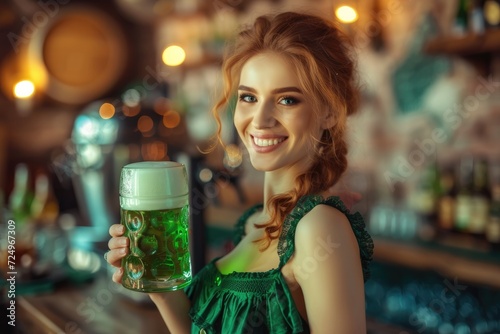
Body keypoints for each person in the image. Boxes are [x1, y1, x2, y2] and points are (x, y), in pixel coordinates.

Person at [106, 11, 374, 333]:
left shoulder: (319, 228)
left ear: (330, 112)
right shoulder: (251, 223)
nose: (260, 119)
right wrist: (162, 291)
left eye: (287, 100)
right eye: (249, 97)